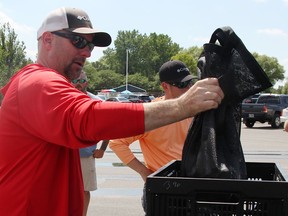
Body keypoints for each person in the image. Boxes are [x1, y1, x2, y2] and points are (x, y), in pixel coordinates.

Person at [0, 7, 224, 216]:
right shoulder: (38, 81)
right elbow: (88, 118)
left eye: (90, 46)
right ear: (47, 39)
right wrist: (182, 106)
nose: (86, 53)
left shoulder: (41, 83)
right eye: (78, 41)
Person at [109, 60, 197, 213]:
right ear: (165, 86)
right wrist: (144, 172)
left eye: (190, 83)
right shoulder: (151, 114)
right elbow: (117, 143)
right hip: (162, 190)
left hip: (191, 186)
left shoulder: (194, 111)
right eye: (182, 85)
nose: (188, 88)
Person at [71, 70, 109, 216]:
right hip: (64, 154)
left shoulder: (97, 102)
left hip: (85, 155)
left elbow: (108, 128)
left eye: (81, 81)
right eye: (75, 81)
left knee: (84, 191)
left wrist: (103, 149)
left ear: (87, 82)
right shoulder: (64, 99)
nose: (78, 84)